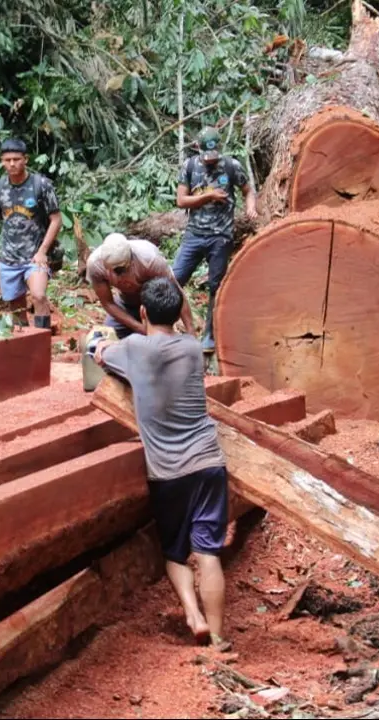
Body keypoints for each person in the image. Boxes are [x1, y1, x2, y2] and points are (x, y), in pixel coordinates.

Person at [93, 276, 230, 650]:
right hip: (208, 461)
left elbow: (100, 353)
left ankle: (193, 615)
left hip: (168, 473)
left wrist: (99, 343)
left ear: (142, 312)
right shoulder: (192, 348)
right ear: (178, 312)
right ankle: (219, 640)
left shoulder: (134, 348)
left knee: (175, 554)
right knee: (208, 553)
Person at [172, 126, 258, 353]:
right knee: (173, 280)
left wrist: (250, 208)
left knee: (216, 287)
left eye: (213, 157)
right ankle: (167, 327)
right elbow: (181, 201)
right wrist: (208, 196)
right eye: (207, 157)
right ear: (197, 148)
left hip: (221, 237)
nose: (210, 161)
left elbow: (248, 190)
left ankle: (210, 336)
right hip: (194, 235)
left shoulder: (231, 166)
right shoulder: (190, 166)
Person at [0, 138, 62, 329]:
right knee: (16, 306)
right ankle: (24, 339)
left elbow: (56, 220)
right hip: (9, 259)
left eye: (16, 159)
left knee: (38, 295)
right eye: (7, 160)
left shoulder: (41, 185)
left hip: (35, 256)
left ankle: (42, 338)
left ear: (25, 159)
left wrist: (43, 251)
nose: (12, 164)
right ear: (2, 161)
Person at [87, 233, 194, 340]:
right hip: (126, 303)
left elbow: (176, 292)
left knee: (163, 340)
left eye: (120, 270)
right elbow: (108, 303)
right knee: (108, 337)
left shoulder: (150, 259)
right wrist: (140, 328)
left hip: (154, 304)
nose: (114, 276)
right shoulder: (95, 265)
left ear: (130, 261)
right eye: (110, 270)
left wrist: (190, 331)